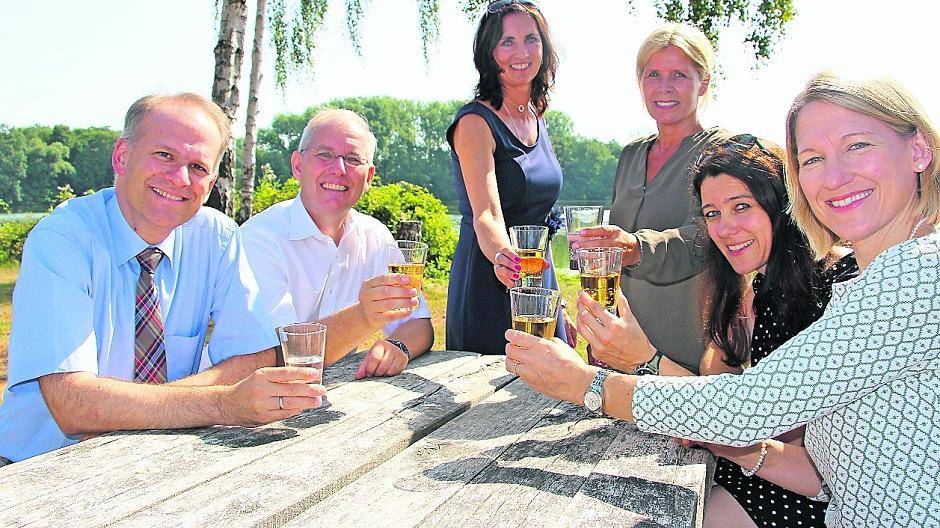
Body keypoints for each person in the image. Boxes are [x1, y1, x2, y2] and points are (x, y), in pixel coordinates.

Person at [505, 71, 940, 527]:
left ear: (919, 149)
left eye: (857, 146)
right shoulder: (863, 285)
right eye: (812, 159)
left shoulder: (918, 275)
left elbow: (745, 406)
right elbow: (828, 480)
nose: (834, 176)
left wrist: (584, 383)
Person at [0, 93, 326, 465]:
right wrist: (221, 403)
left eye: (198, 167)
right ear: (122, 157)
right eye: (164, 155)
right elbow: (74, 404)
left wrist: (141, 409)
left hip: (159, 460)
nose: (180, 178)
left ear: (212, 181)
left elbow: (254, 355)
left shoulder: (216, 236)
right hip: (39, 471)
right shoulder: (63, 240)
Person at [582, 135, 858, 528]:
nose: (725, 228)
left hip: (799, 499)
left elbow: (806, 463)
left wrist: (644, 361)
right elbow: (715, 397)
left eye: (741, 206)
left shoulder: (837, 283)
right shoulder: (745, 287)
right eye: (711, 214)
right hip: (736, 471)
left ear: (782, 207)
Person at [569, 23, 733, 373]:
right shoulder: (630, 155)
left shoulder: (721, 152)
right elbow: (610, 262)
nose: (664, 87)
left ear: (703, 82)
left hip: (685, 355)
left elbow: (703, 239)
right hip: (619, 351)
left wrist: (636, 248)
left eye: (679, 75)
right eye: (653, 74)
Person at [241, 109, 433, 378]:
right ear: (298, 165)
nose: (339, 169)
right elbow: (286, 355)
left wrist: (397, 346)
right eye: (325, 155)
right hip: (245, 406)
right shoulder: (259, 238)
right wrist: (366, 314)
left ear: (368, 177)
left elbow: (418, 322)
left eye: (353, 159)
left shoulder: (374, 236)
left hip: (336, 395)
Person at [445, 0, 574, 355]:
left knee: (552, 396)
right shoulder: (474, 123)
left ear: (544, 48)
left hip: (539, 283)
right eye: (507, 42)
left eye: (531, 39)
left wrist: (558, 304)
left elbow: (540, 218)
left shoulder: (537, 116)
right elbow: (486, 213)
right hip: (492, 278)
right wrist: (506, 258)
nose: (522, 52)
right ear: (489, 52)